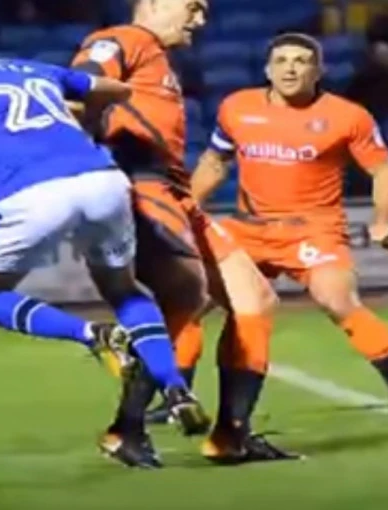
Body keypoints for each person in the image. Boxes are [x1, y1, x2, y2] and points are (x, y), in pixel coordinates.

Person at [0, 18, 210, 469]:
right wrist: (76, 114)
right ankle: (175, 388)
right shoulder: (28, 68)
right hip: (103, 180)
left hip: (33, 192)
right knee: (123, 288)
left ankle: (92, 335)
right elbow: (118, 89)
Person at [186, 32, 388, 461]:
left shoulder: (347, 116)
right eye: (281, 60)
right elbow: (213, 161)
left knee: (337, 299)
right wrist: (185, 209)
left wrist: (383, 221)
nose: (290, 68)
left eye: (301, 61)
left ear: (318, 70)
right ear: (267, 69)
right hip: (248, 227)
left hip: (313, 230)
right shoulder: (236, 107)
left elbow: (383, 170)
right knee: (191, 301)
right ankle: (172, 396)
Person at [70, 0, 283, 461]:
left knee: (254, 300)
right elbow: (75, 90)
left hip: (174, 191)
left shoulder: (157, 57)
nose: (200, 20)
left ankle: (230, 436)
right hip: (141, 184)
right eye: (193, 6)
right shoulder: (123, 39)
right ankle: (127, 429)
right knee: (184, 298)